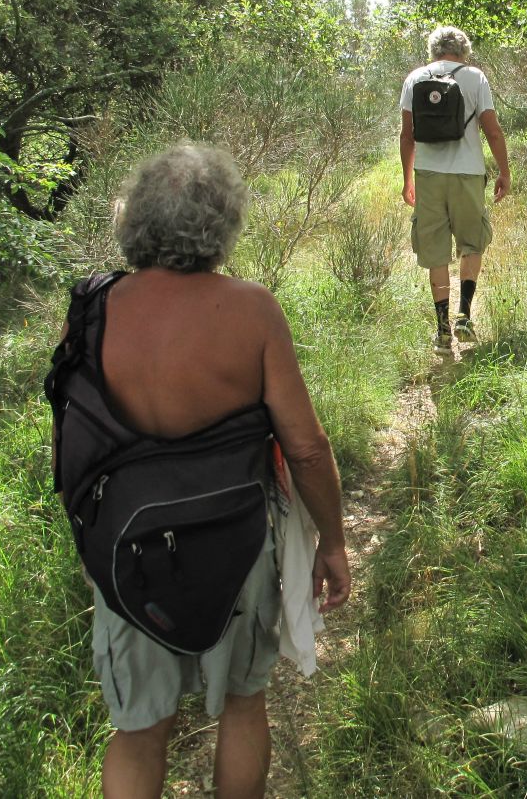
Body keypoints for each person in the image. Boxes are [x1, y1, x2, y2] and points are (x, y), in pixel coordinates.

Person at [78, 143, 351, 799]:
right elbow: (307, 447)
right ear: (223, 222)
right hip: (237, 545)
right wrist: (333, 542)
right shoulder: (252, 309)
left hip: (126, 551)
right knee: (243, 700)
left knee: (138, 730)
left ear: (135, 218)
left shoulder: (94, 308)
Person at [398, 26, 510, 350]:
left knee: (435, 251)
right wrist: (504, 172)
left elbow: (407, 135)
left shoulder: (414, 79)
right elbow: (493, 131)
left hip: (428, 175)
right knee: (472, 243)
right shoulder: (476, 77)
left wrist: (408, 179)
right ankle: (464, 315)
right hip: (468, 175)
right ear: (464, 51)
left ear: (433, 50)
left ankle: (442, 330)